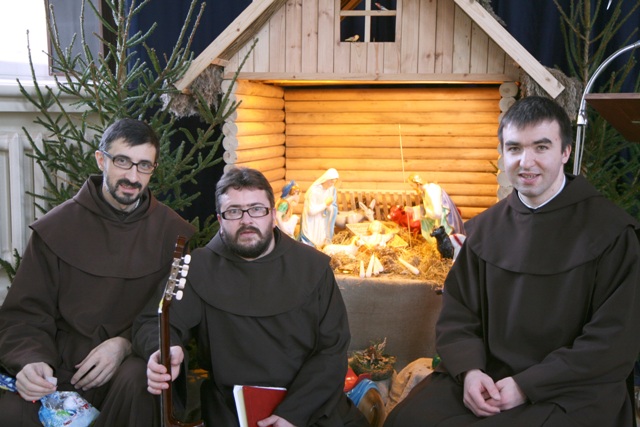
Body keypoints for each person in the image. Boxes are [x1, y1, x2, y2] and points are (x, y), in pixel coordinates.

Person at [384, 96, 640, 426]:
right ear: (503, 153)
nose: (525, 162)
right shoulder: (484, 230)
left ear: (565, 152)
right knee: (407, 420)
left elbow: (613, 341)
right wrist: (470, 371)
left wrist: (526, 385)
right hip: (489, 375)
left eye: (541, 147)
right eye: (514, 148)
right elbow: (458, 316)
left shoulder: (612, 233)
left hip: (571, 387)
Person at [132, 167, 369, 427]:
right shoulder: (199, 267)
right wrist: (166, 348)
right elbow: (154, 322)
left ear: (274, 215)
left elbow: (332, 350)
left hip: (309, 404)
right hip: (233, 409)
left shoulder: (313, 267)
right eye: (234, 211)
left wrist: (292, 414)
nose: (246, 220)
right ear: (220, 219)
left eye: (256, 209)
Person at [0, 118, 195, 427]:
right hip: (61, 368)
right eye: (122, 161)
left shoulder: (173, 233)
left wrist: (124, 344)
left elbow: (169, 317)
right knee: (11, 411)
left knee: (141, 382)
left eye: (144, 166)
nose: (133, 176)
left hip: (127, 371)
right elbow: (25, 314)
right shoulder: (56, 227)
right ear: (101, 160)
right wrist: (31, 361)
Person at [299, 168, 339, 248]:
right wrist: (325, 204)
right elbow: (311, 211)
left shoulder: (330, 190)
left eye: (334, 182)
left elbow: (332, 208)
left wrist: (329, 207)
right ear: (326, 179)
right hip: (312, 222)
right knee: (311, 241)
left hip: (321, 221)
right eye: (331, 181)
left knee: (320, 241)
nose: (332, 184)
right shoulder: (314, 191)